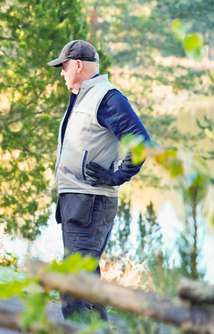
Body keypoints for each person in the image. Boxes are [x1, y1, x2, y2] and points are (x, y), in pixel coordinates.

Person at [47, 40, 151, 323]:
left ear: (78, 65)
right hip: (76, 201)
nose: (61, 73)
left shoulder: (107, 97)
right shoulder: (84, 96)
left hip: (90, 201)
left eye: (64, 66)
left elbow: (141, 142)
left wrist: (115, 175)